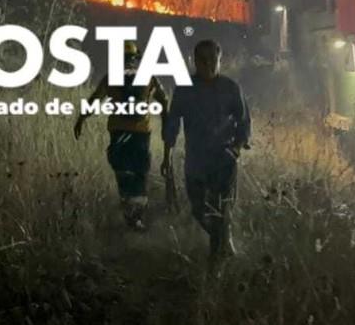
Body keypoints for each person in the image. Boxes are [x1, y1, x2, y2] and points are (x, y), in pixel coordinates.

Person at [161, 39, 250, 259]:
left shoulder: (230, 88)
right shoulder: (184, 89)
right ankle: (222, 237)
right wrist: (167, 157)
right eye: (202, 60)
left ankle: (217, 259)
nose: (208, 64)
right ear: (194, 61)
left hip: (224, 160)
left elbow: (244, 121)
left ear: (220, 60)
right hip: (196, 161)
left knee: (221, 209)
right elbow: (173, 124)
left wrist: (237, 147)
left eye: (213, 59)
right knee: (199, 210)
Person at [74, 40, 169, 230]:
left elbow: (95, 100)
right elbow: (164, 101)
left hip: (119, 132)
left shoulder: (111, 77)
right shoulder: (149, 77)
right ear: (136, 59)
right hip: (141, 133)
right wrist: (167, 123)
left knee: (123, 172)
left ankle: (130, 214)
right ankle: (137, 217)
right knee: (140, 173)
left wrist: (81, 119)